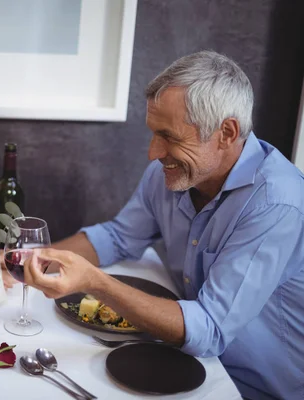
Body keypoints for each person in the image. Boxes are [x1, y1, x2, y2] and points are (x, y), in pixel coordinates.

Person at [23, 51, 304, 400]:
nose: (154, 153)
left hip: (256, 386)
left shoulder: (276, 202)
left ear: (226, 133)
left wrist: (95, 282)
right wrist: (30, 260)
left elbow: (210, 328)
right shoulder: (171, 173)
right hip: (184, 362)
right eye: (154, 134)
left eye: (169, 136)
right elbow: (118, 236)